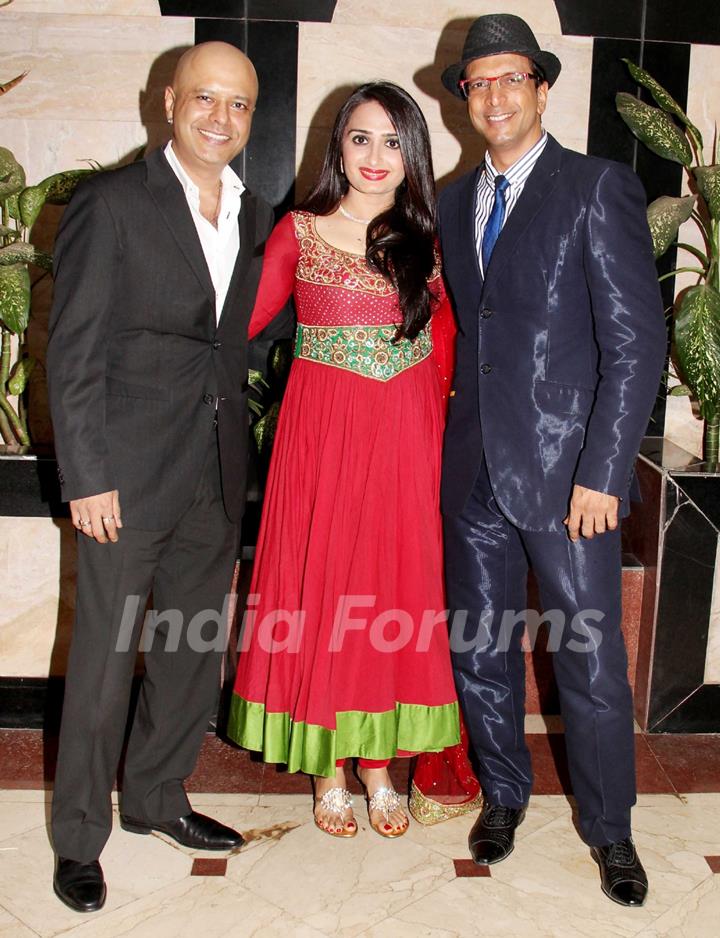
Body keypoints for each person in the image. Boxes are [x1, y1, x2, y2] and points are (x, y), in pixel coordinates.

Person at [437, 14, 666, 906]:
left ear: (540, 88)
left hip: (573, 476)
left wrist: (605, 474)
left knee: (590, 661)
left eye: (510, 79)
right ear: (466, 99)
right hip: (472, 473)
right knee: (482, 646)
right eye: (477, 83)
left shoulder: (596, 187)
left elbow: (634, 344)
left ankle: (611, 831)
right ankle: (503, 794)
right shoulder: (456, 200)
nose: (494, 96)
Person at [46, 42, 273, 913]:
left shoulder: (254, 214)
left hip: (215, 473)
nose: (221, 117)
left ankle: (155, 798)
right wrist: (88, 474)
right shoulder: (111, 203)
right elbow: (74, 351)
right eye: (206, 98)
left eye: (240, 105)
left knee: (186, 653)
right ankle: (77, 840)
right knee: (103, 665)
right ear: (168, 99)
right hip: (126, 479)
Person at [227, 81, 462, 839]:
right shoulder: (299, 231)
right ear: (337, 147)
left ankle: (380, 769)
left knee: (395, 599)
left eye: (393, 141)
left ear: (412, 156)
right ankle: (330, 772)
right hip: (322, 445)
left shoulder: (430, 238)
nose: (375, 156)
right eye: (360, 138)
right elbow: (238, 325)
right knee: (327, 596)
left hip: (407, 446)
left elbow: (451, 350)